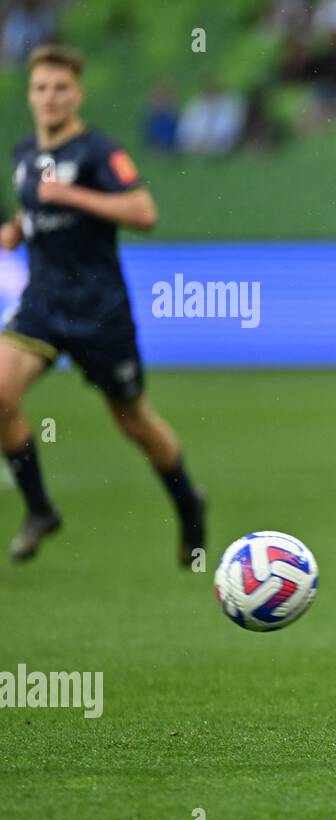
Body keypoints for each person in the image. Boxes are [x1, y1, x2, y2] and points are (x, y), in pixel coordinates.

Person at [1, 44, 205, 564]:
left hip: (100, 312)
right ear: (31, 95)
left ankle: (188, 504)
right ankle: (41, 508)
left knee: (132, 420)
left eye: (60, 88)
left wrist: (72, 197)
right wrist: (17, 230)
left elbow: (143, 210)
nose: (50, 98)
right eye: (42, 88)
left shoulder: (97, 153)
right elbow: (36, 210)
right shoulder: (25, 155)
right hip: (42, 305)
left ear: (78, 94)